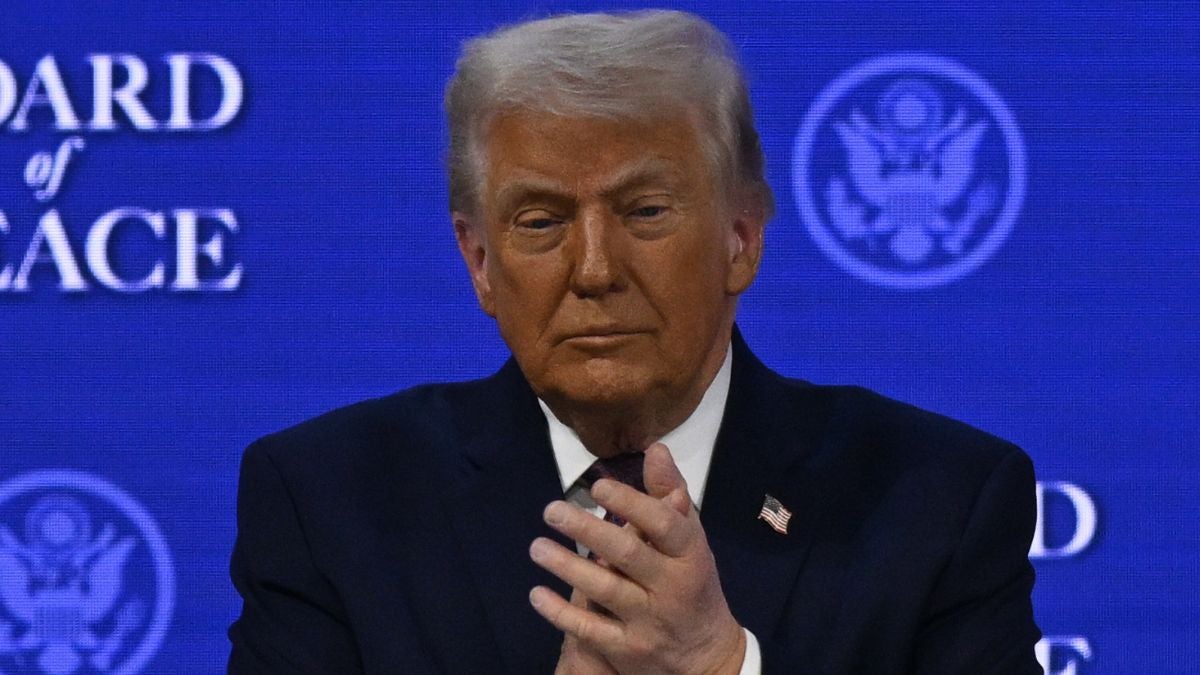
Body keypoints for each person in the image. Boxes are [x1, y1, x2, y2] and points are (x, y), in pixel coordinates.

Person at [228, 9, 1042, 674]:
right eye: (540, 221)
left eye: (646, 211)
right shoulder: (331, 503)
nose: (594, 269)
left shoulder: (936, 503)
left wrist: (723, 667)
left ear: (741, 237)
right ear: (479, 262)